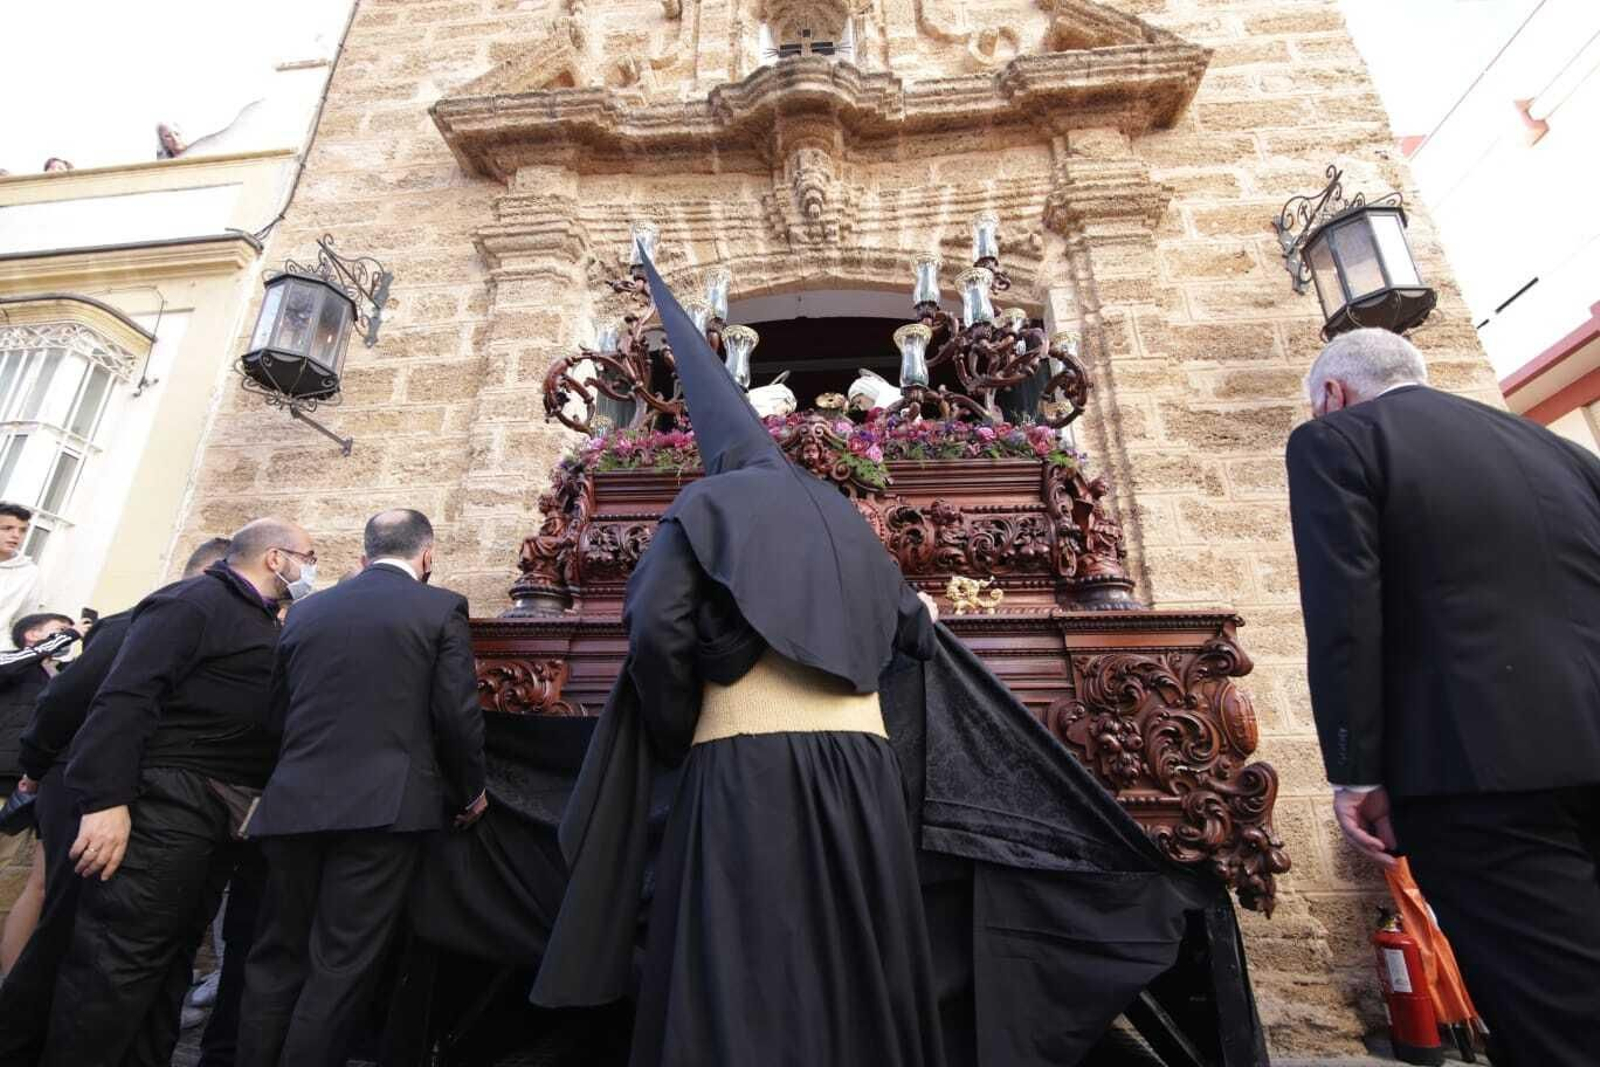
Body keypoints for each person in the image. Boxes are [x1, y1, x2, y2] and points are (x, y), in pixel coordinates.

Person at [532, 250, 947, 1066]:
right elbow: (917, 632)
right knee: (851, 963)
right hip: (865, 776)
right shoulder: (841, 511)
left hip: (748, 767)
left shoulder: (708, 500)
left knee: (746, 966)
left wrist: (674, 723)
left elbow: (656, 621)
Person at [1286, 327, 1600, 1064]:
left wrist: (1355, 769)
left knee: (1553, 1012)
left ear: (1331, 394)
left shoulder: (1337, 441)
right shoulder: (1564, 454)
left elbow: (1345, 612)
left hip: (1476, 768)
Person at [41, 519, 315, 1067]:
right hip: (164, 809)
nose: (311, 568)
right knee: (115, 968)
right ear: (276, 558)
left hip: (207, 819)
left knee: (169, 965)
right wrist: (106, 802)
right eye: (308, 556)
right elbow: (126, 697)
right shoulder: (192, 602)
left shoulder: (258, 618)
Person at [236, 509, 487, 1067]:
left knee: (275, 955)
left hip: (293, 804)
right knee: (340, 963)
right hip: (383, 811)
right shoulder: (439, 607)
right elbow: (456, 715)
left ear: (363, 554)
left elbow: (275, 713)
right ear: (427, 554)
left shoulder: (304, 612)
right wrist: (470, 790)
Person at [0, 539, 232, 1063]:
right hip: (82, 784)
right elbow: (65, 700)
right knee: (63, 920)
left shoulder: (213, 632)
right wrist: (35, 770)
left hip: (136, 795)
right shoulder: (141, 622)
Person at [0, 613, 78, 972]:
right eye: (58, 629)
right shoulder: (13, 661)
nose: (68, 635)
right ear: (32, 635)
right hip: (5, 780)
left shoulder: (60, 675)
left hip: (31, 791)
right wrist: (67, 635)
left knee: (14, 880)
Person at [0, 503, 43, 648]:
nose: (16, 535)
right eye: (7, 528)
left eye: (22, 530)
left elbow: (25, 621)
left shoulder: (29, 573)